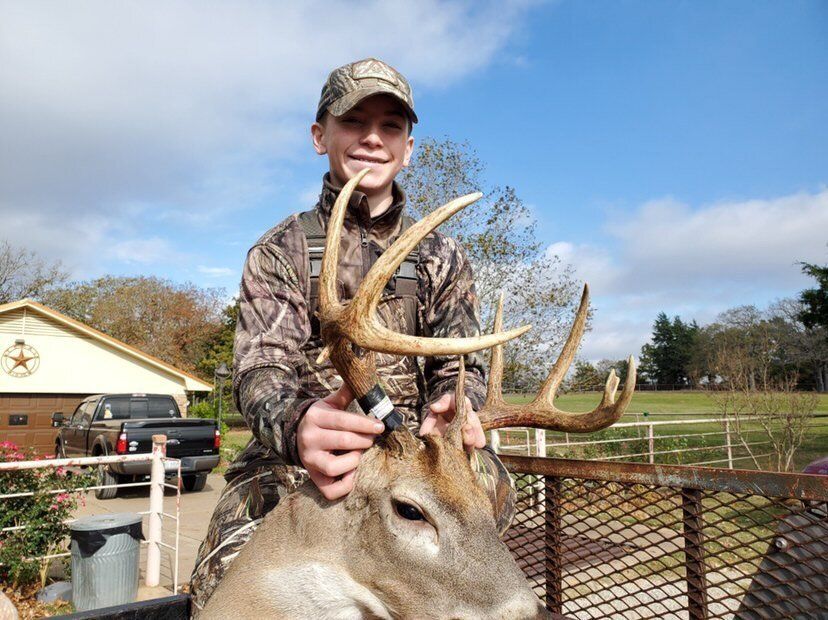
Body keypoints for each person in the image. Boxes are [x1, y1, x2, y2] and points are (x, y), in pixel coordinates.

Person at [190, 58, 515, 611]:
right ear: (321, 136)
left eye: (391, 125)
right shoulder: (280, 251)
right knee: (222, 572)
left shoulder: (441, 255)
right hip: (306, 461)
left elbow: (463, 365)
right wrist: (297, 425)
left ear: (408, 147)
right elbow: (259, 369)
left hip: (415, 456)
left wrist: (457, 407)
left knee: (489, 504)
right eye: (353, 121)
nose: (372, 137)